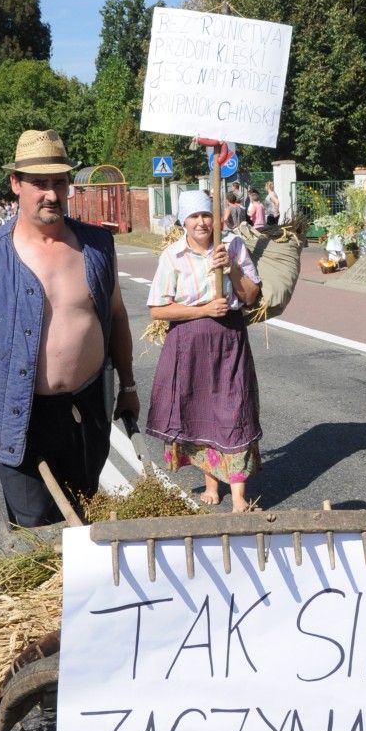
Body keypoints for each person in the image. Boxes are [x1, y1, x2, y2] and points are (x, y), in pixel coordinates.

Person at [0, 128, 139, 527]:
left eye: (59, 182)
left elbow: (117, 316)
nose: (51, 194)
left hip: (87, 409)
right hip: (19, 415)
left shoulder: (97, 247)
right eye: (39, 183)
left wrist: (128, 386)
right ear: (16, 184)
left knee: (86, 516)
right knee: (36, 527)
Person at [145, 190, 262, 512]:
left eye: (206, 215)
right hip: (189, 343)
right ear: (183, 221)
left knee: (234, 408)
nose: (201, 222)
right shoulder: (173, 255)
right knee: (199, 410)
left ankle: (238, 495)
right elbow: (158, 309)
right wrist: (204, 310)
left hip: (229, 340)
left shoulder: (233, 246)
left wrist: (231, 267)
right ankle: (211, 482)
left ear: (216, 218)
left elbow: (251, 296)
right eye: (194, 216)